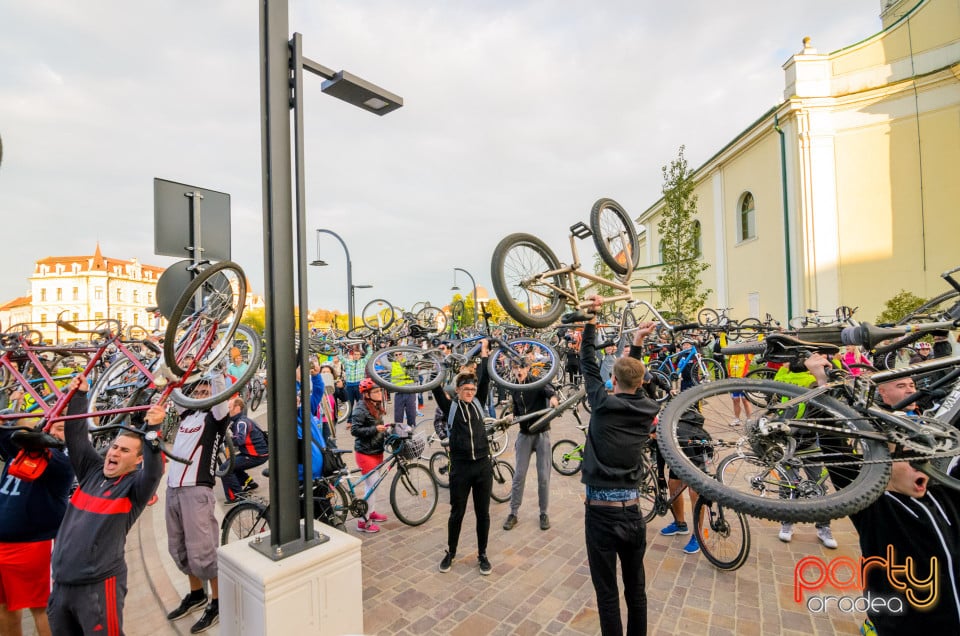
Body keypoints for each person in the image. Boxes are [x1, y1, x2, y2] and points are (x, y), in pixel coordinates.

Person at [47, 376, 165, 636]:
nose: (114, 453)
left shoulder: (135, 487)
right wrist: (80, 396)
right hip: (61, 586)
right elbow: (76, 437)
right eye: (114, 447)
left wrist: (154, 431)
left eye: (124, 451)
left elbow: (155, 471)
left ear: (137, 461)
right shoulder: (92, 470)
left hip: (99, 588)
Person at [579, 295, 659, 636]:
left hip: (600, 513)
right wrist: (637, 342)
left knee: (607, 594)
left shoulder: (602, 404)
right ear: (641, 383)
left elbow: (586, 360)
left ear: (613, 381)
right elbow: (631, 376)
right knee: (636, 591)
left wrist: (591, 319)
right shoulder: (647, 409)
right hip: (632, 512)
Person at [0, 390, 78, 636]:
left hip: (35, 545)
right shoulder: (25, 449)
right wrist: (15, 407)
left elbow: (27, 440)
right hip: (3, 543)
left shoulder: (63, 460)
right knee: (4, 607)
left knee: (42, 608)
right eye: (53, 424)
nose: (54, 431)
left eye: (62, 428)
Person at [164, 375, 231, 634]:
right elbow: (173, 388)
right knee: (179, 548)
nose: (202, 395)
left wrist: (214, 368)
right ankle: (196, 594)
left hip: (197, 488)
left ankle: (217, 601)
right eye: (199, 392)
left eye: (206, 392)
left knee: (204, 551)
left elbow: (220, 393)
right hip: (173, 488)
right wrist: (169, 363)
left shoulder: (215, 418)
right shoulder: (185, 416)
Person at [431, 341, 494, 576]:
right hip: (460, 467)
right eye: (466, 389)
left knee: (483, 514)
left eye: (472, 389)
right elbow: (436, 388)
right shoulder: (451, 408)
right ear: (457, 390)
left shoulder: (478, 402)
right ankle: (451, 552)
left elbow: (486, 379)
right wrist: (434, 362)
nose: (470, 392)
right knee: (456, 513)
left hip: (482, 466)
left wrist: (485, 354)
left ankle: (483, 554)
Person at [772, 356, 839, 549]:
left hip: (809, 439)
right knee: (788, 484)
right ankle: (787, 523)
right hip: (788, 439)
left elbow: (827, 393)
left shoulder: (811, 379)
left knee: (818, 485)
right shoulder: (784, 374)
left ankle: (823, 527)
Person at [502, 361, 558, 532]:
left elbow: (549, 391)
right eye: (516, 368)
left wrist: (553, 399)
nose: (519, 371)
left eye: (522, 368)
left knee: (543, 476)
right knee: (519, 476)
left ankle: (543, 513)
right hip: (524, 434)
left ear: (527, 368)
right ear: (512, 369)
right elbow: (516, 409)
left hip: (542, 434)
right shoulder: (513, 387)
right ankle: (513, 513)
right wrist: (511, 415)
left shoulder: (536, 381)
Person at [350, 378, 391, 533]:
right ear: (366, 394)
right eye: (375, 391)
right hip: (365, 453)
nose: (379, 393)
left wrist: (386, 430)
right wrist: (375, 429)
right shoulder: (360, 409)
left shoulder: (375, 406)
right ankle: (363, 521)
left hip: (376, 451)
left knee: (374, 486)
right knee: (371, 488)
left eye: (379, 390)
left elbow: (378, 427)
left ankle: (371, 511)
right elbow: (355, 430)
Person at [220, 397, 268, 504]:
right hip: (255, 453)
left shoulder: (241, 422)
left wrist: (226, 439)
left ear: (237, 408)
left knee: (225, 468)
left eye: (229, 407)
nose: (227, 410)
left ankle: (237, 496)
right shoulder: (239, 420)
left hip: (256, 455)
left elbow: (240, 440)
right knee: (231, 463)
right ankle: (249, 482)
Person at [338, 344, 373, 421]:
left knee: (360, 404)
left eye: (358, 354)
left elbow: (370, 353)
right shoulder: (348, 362)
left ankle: (361, 419)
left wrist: (367, 345)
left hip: (359, 386)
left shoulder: (363, 362)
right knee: (350, 404)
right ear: (353, 355)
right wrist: (340, 347)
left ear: (360, 356)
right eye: (355, 354)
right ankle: (349, 420)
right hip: (349, 386)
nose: (356, 356)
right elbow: (340, 356)